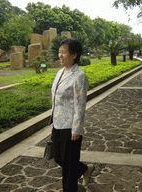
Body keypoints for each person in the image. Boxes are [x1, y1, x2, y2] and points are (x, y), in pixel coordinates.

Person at [50, 38, 94, 191]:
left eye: (64, 52)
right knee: (58, 157)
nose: (60, 55)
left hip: (70, 127)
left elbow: (80, 104)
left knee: (68, 170)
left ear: (74, 55)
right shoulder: (59, 73)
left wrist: (77, 129)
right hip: (57, 123)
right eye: (59, 52)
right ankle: (83, 169)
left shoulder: (79, 76)